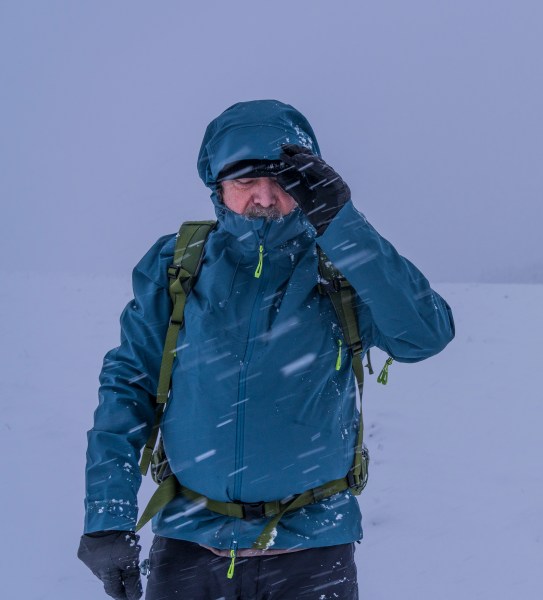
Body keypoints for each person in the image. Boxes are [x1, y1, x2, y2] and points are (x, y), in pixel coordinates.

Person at [77, 99, 455, 600]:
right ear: (217, 188)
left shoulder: (340, 266)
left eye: (282, 179)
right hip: (190, 542)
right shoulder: (177, 265)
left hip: (313, 548)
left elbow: (424, 336)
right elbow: (128, 386)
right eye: (243, 181)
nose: (264, 196)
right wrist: (107, 518)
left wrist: (342, 223)